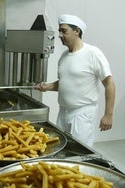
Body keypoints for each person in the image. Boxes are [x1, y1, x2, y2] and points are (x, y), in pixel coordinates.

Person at [35, 14, 115, 147]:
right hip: (63, 111)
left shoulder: (92, 53)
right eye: (60, 30)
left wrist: (108, 114)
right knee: (62, 147)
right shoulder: (65, 56)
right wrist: (48, 86)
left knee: (80, 150)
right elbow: (65, 83)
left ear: (76, 31)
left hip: (82, 114)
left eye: (64, 31)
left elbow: (110, 84)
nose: (60, 35)